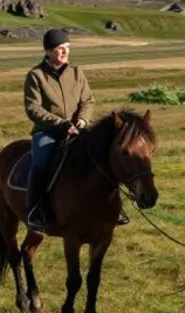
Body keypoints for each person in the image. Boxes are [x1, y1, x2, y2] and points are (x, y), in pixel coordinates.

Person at [23, 29, 127, 230]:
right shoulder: (36, 76)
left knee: (103, 157)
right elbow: (33, 108)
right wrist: (60, 123)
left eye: (67, 48)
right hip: (48, 132)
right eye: (60, 49)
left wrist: (82, 120)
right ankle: (34, 209)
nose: (65, 53)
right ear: (48, 51)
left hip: (78, 129)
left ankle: (114, 207)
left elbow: (88, 100)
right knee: (41, 162)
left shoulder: (77, 73)